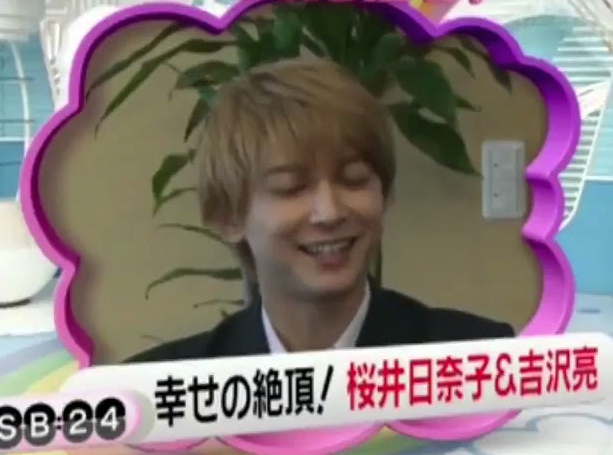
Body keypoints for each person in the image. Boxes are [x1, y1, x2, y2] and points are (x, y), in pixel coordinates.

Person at [127, 57, 514, 363]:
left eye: (354, 179)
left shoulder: (477, 359)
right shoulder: (160, 390)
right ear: (227, 216)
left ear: (385, 194)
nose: (329, 212)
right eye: (291, 187)